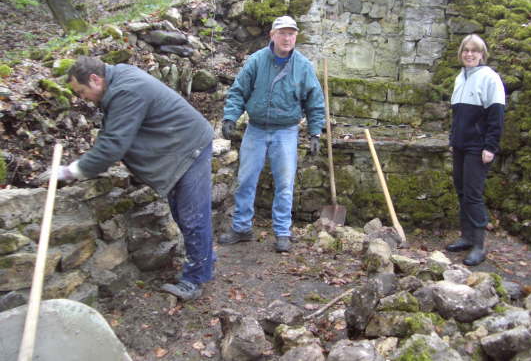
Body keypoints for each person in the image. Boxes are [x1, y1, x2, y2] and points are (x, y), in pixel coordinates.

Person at [51, 56, 215, 300]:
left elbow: (114, 144)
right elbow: (113, 131)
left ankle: (195, 280)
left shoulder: (126, 89)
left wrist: (73, 171)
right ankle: (205, 260)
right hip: (178, 148)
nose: (82, 98)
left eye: (82, 91)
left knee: (192, 217)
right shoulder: (119, 77)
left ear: (95, 79)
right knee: (184, 214)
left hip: (189, 148)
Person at [219, 15, 325, 253]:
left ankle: (282, 232)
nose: (287, 38)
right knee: (245, 180)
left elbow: (315, 103)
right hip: (255, 129)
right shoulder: (256, 61)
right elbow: (238, 91)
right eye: (283, 33)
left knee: (285, 183)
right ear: (273, 35)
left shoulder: (303, 66)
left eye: (291, 33)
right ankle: (241, 227)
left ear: (296, 36)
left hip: (286, 131)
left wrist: (315, 133)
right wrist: (230, 117)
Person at [446, 34, 505, 266]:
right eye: (465, 50)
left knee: (473, 194)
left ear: (482, 54)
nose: (469, 54)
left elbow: (496, 116)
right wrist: (453, 139)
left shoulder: (490, 78)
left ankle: (479, 245)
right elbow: (457, 116)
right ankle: (466, 236)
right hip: (460, 145)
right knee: (461, 190)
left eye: (474, 51)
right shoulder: (460, 77)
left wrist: (490, 146)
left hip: (478, 148)